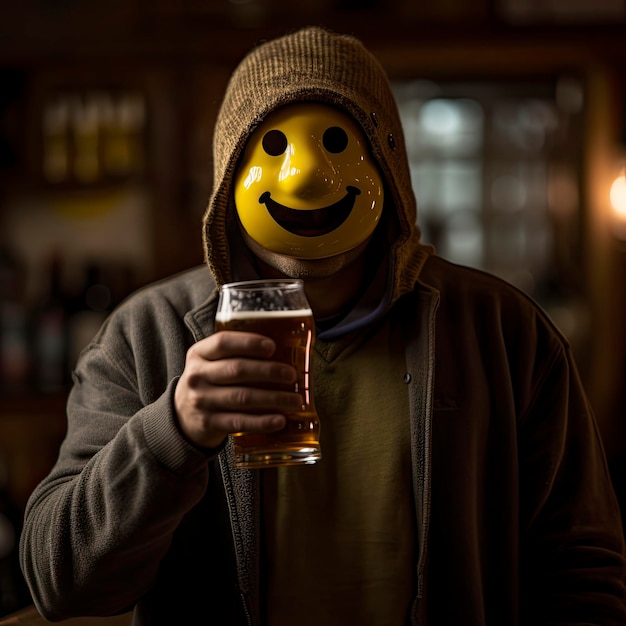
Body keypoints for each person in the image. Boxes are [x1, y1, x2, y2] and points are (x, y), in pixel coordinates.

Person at [19, 26, 626, 626]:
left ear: (388, 164)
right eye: (272, 146)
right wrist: (172, 431)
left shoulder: (504, 331)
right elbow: (61, 584)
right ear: (228, 175)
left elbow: (581, 568)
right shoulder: (145, 335)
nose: (307, 178)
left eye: (339, 141)